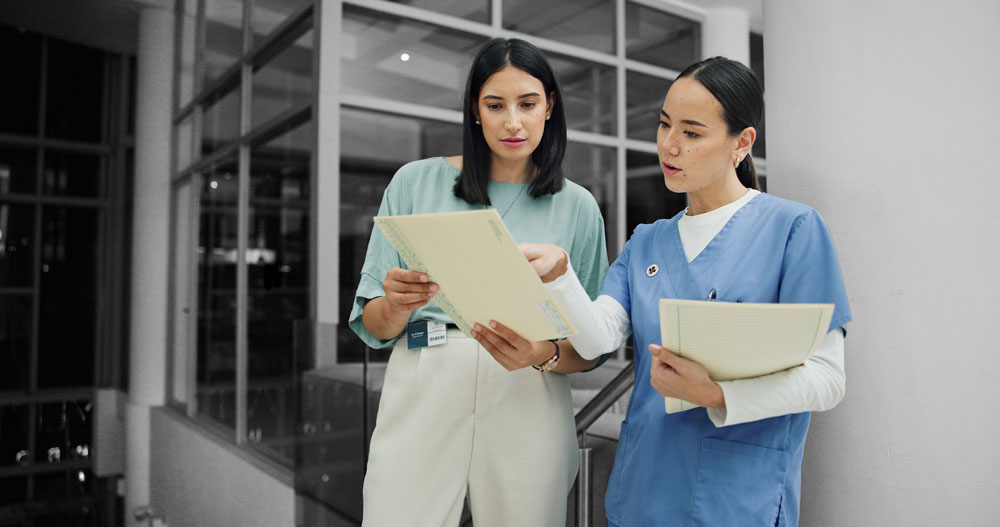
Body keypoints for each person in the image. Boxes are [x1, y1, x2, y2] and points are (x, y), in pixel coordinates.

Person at [474, 56, 851, 526]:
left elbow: (828, 380)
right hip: (644, 488)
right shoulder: (648, 240)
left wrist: (717, 394)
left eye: (692, 133)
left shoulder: (793, 229)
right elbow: (596, 340)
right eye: (664, 125)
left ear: (742, 142)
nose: (669, 146)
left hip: (736, 496)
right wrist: (560, 275)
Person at [348, 37, 609, 527]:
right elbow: (374, 323)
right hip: (425, 376)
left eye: (528, 104)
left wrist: (541, 354)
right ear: (475, 111)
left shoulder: (579, 206)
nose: (513, 122)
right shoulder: (414, 182)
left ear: (549, 107)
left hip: (528, 390)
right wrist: (399, 303)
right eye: (495, 105)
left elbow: (589, 345)